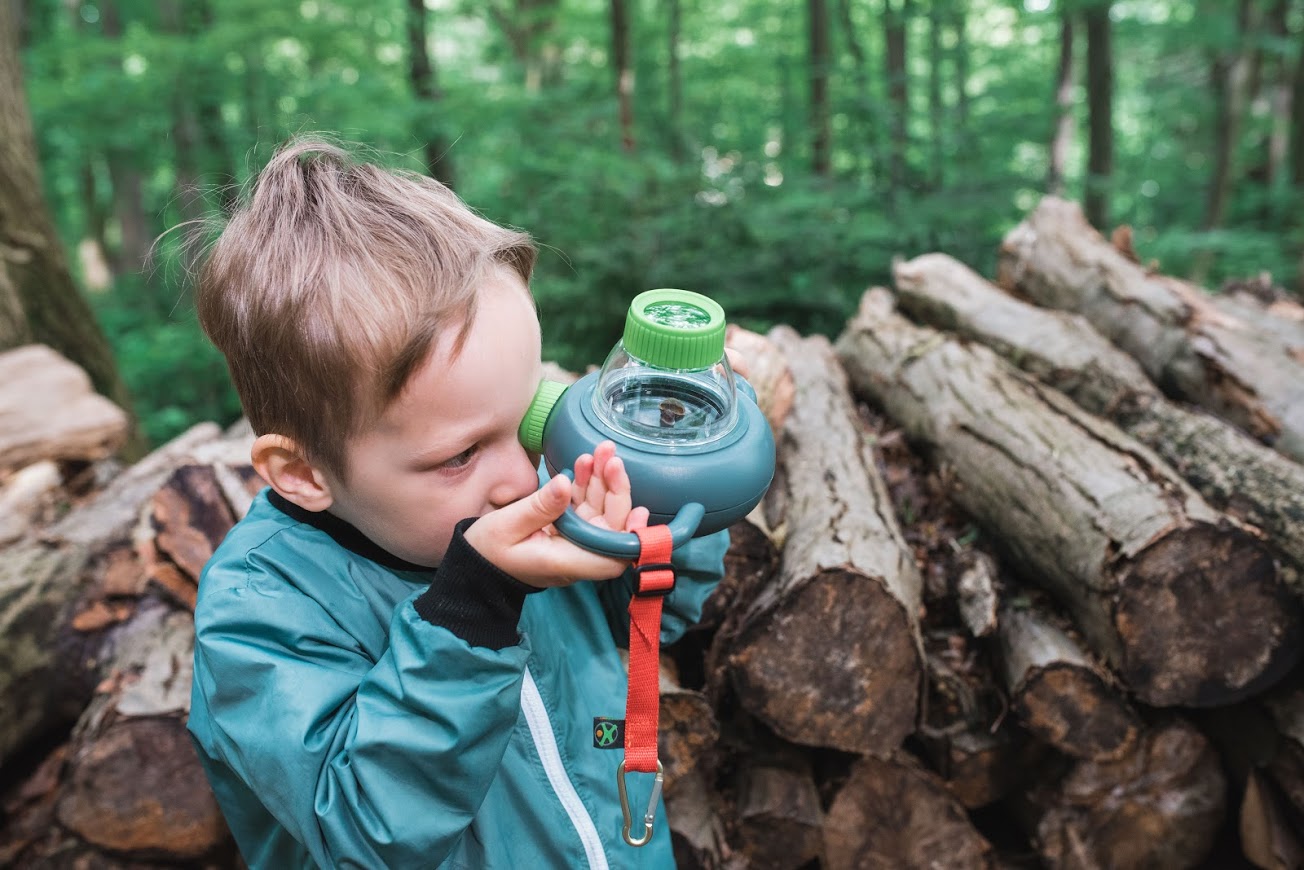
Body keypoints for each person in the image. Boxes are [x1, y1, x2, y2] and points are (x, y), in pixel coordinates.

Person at [186, 137, 730, 869]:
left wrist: (667, 496)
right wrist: (471, 614)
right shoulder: (262, 609)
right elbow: (362, 832)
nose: (521, 477)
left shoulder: (523, 506)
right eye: (461, 455)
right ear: (303, 471)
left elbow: (657, 618)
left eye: (528, 417)